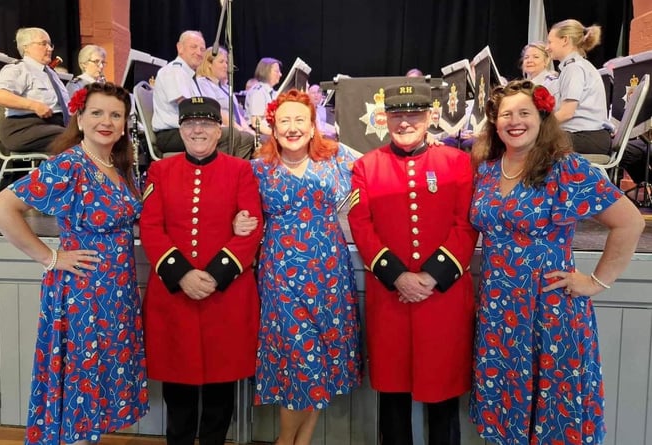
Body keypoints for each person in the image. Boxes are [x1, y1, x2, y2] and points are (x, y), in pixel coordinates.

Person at [468, 79, 645, 444]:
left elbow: (629, 221)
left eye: (524, 113)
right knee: (506, 408)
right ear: (495, 122)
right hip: (498, 311)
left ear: (542, 118)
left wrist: (596, 282)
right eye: (506, 115)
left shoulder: (565, 168)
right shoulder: (487, 169)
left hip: (549, 308)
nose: (515, 121)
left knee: (554, 413)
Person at [0, 81, 149, 445]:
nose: (105, 121)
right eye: (97, 113)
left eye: (115, 115)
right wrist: (50, 257)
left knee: (97, 386)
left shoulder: (115, 164)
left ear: (124, 124)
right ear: (79, 116)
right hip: (83, 293)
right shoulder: (70, 164)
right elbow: (0, 209)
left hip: (115, 293)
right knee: (79, 384)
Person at [347, 83, 478, 445]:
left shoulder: (457, 163)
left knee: (443, 395)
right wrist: (398, 276)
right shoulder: (365, 166)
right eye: (397, 115)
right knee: (392, 395)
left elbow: (465, 224)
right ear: (386, 118)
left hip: (443, 297)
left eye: (414, 115)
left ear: (430, 117)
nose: (405, 122)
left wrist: (430, 278)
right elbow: (361, 224)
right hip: (390, 296)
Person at [236, 88, 361, 445]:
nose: (292, 128)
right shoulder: (257, 169)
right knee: (302, 360)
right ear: (272, 129)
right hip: (281, 277)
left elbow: (375, 175)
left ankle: (300, 442)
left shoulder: (336, 160)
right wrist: (237, 223)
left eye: (299, 121)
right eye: (284, 121)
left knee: (318, 359)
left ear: (313, 127)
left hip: (330, 275)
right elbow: (236, 210)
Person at [139, 96, 263, 445]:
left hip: (224, 296)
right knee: (177, 392)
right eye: (190, 124)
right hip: (175, 296)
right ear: (180, 129)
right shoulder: (159, 171)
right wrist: (182, 275)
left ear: (218, 129)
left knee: (220, 391)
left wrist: (214, 276)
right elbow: (151, 227)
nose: (198, 129)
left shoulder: (241, 170)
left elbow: (252, 227)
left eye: (206, 123)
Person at [152, 30, 254, 158]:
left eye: (202, 49)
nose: (199, 52)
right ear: (180, 48)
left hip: (190, 129)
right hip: (172, 134)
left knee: (245, 138)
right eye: (193, 47)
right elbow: (187, 109)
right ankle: (216, 175)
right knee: (228, 134)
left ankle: (234, 175)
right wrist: (213, 126)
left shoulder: (189, 75)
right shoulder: (174, 71)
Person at [0, 27, 69, 152]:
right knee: (74, 138)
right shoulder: (19, 69)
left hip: (55, 126)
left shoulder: (51, 74)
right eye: (43, 43)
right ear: (26, 47)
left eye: (50, 44)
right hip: (23, 128)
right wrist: (34, 105)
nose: (50, 48)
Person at [546, 19, 612, 155]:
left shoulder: (573, 68)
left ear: (565, 40)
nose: (547, 47)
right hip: (586, 136)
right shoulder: (575, 66)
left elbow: (566, 113)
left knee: (529, 143)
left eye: (550, 42)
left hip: (586, 137)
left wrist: (538, 127)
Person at [196, 47, 256, 143]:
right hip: (221, 130)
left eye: (227, 62)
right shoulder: (203, 83)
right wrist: (239, 130)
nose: (226, 66)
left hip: (236, 129)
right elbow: (217, 111)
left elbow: (237, 114)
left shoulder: (226, 87)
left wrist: (248, 130)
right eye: (221, 62)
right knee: (246, 139)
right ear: (209, 64)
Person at [245, 57, 282, 137]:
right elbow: (256, 123)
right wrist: (276, 136)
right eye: (277, 71)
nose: (280, 74)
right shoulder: (258, 92)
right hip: (260, 134)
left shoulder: (273, 93)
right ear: (266, 72)